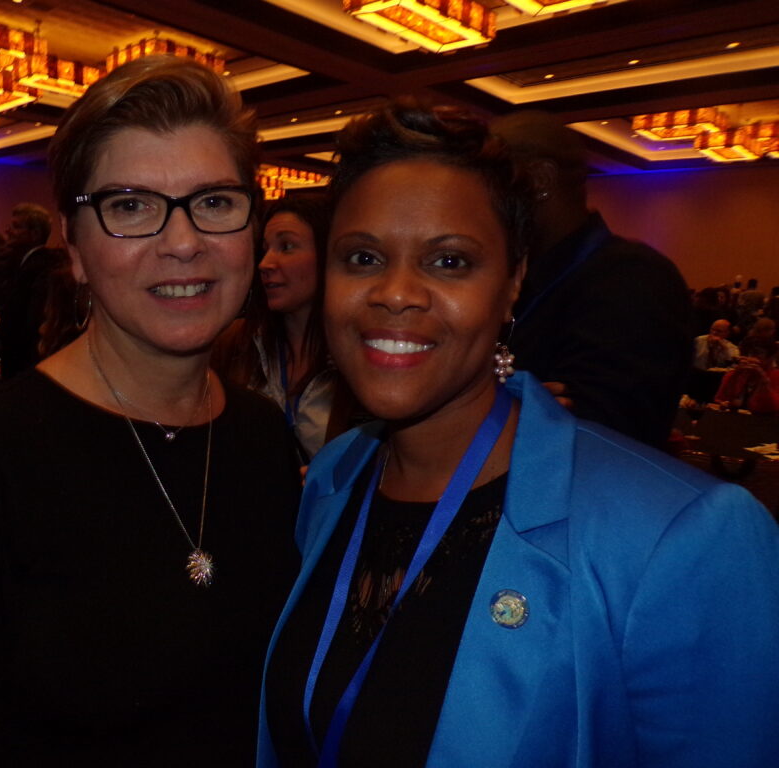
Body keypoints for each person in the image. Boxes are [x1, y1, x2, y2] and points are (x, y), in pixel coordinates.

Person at [258, 100, 779, 768]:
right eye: (361, 257)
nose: (394, 292)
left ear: (513, 285)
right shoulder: (334, 478)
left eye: (449, 262)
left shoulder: (684, 538)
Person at [0, 56, 302, 767]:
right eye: (130, 207)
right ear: (76, 249)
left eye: (214, 202)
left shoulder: (264, 438)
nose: (183, 242)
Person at [489, 110, 691, 449]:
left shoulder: (631, 279)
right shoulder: (519, 273)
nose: (478, 198)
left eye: (490, 179)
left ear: (539, 179)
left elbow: (599, 437)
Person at [215, 194, 355, 460]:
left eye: (287, 246)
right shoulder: (235, 343)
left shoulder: (357, 355)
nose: (266, 264)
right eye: (265, 249)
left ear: (330, 255)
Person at [0, 202, 67, 379]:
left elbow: (31, 324)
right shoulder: (24, 265)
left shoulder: (41, 268)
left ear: (35, 234)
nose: (8, 231)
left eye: (16, 227)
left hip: (26, 365)